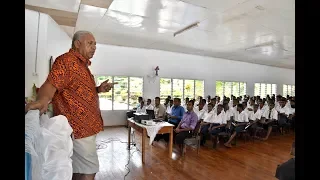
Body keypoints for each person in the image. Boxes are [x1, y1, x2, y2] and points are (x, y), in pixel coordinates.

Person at [25, 31, 117, 180]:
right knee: (89, 171)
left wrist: (99, 89)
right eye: (90, 43)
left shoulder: (83, 67)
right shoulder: (67, 62)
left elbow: (80, 92)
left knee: (76, 169)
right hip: (80, 128)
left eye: (95, 44)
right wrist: (42, 100)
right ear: (77, 44)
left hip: (88, 127)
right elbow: (51, 84)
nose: (94, 47)